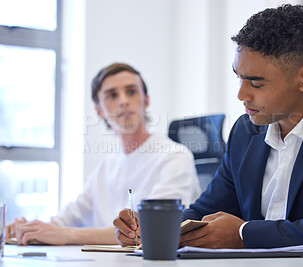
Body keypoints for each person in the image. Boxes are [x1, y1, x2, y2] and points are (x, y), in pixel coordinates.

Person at [113, 5, 303, 257]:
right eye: (238, 76)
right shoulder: (245, 132)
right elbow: (205, 212)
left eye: (256, 83)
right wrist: (154, 228)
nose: (241, 94)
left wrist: (244, 234)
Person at [6, 63, 201, 245]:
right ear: (99, 110)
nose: (123, 101)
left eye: (131, 92)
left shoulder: (175, 157)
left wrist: (66, 235)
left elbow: (154, 229)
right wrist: (27, 228)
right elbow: (65, 219)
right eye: (112, 95)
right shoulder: (106, 167)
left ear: (146, 100)